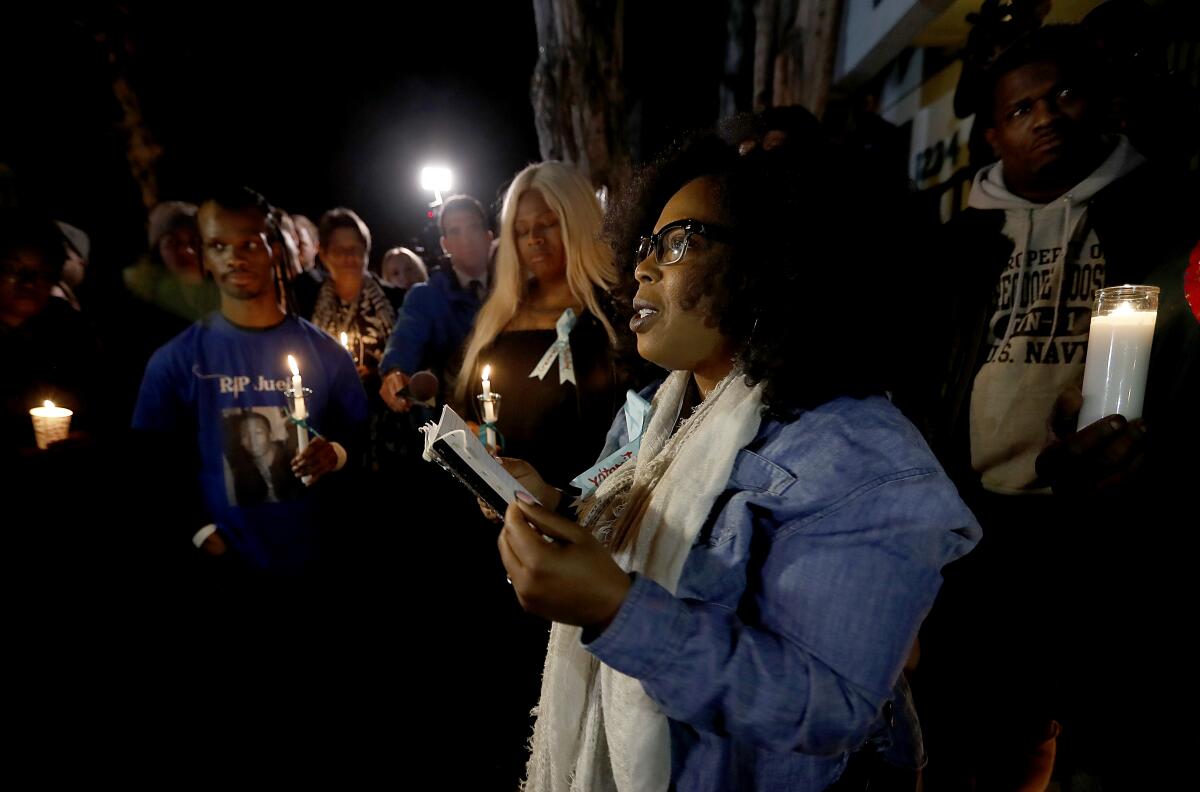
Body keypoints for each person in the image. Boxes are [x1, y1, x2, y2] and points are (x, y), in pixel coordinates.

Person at [492, 131, 980, 791]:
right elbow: (609, 509)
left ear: (776, 261)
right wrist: (549, 503)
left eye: (680, 242)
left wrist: (616, 611)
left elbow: (828, 708)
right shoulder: (656, 407)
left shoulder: (862, 454)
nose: (643, 269)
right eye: (646, 245)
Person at [915, 24, 1200, 789]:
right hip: (978, 522)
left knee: (1102, 732)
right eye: (1022, 108)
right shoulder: (958, 246)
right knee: (972, 730)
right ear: (995, 133)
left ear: (1100, 103)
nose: (1046, 117)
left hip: (1109, 519)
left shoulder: (1165, 214)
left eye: (1063, 95)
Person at [131, 187, 367, 574]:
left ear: (274, 248)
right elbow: (150, 462)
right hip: (227, 563)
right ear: (205, 255)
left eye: (249, 244)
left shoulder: (325, 353)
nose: (234, 258)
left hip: (318, 557)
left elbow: (359, 436)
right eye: (218, 245)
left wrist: (336, 453)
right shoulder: (175, 360)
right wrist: (200, 531)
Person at [453, 161, 629, 488]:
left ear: (578, 223)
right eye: (520, 231)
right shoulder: (499, 315)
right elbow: (469, 405)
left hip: (584, 505)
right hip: (503, 501)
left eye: (547, 224)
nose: (533, 238)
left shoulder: (613, 317)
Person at [379, 194, 493, 410]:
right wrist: (395, 371)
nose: (466, 239)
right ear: (445, 244)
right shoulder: (426, 296)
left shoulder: (513, 287)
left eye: (473, 228)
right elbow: (406, 338)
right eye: (455, 232)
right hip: (459, 416)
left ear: (488, 236)